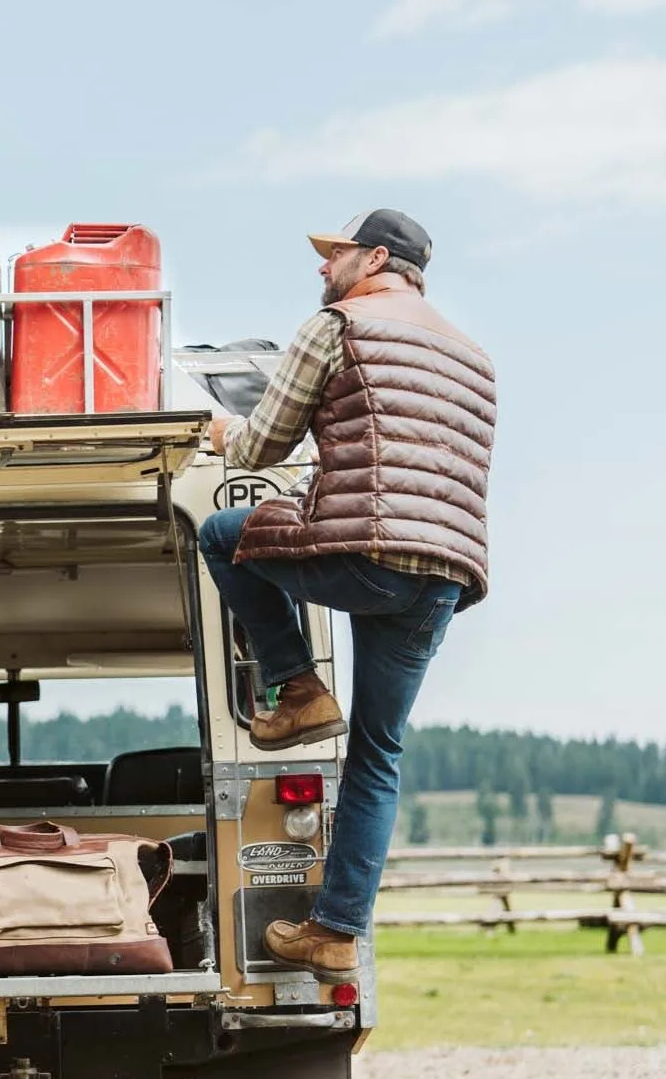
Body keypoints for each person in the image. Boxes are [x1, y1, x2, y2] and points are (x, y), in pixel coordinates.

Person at [198, 209, 496, 982]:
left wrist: (219, 429)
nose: (321, 268)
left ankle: (297, 686)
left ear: (373, 258)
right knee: (378, 754)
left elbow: (263, 446)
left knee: (224, 533)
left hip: (364, 547)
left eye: (333, 254)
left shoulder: (338, 326)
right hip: (442, 573)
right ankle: (335, 930)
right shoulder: (471, 356)